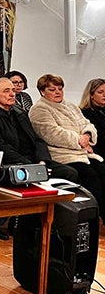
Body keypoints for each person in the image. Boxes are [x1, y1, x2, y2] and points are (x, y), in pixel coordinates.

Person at [29, 74, 105, 222]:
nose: (58, 92)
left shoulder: (70, 106)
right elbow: (53, 134)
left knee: (103, 170)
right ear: (42, 91)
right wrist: (80, 140)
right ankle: (92, 218)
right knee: (91, 177)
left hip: (83, 153)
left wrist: (87, 135)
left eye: (60, 88)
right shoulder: (39, 109)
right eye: (52, 89)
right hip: (62, 155)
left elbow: (88, 124)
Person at [0, 78, 78, 181]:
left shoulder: (19, 113)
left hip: (34, 160)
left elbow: (36, 139)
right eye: (6, 91)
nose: (12, 94)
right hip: (12, 164)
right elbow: (0, 147)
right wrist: (31, 165)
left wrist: (42, 161)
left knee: (70, 172)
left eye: (13, 90)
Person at [80, 78, 105, 156]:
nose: (104, 95)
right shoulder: (83, 113)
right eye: (100, 92)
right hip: (97, 153)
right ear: (91, 95)